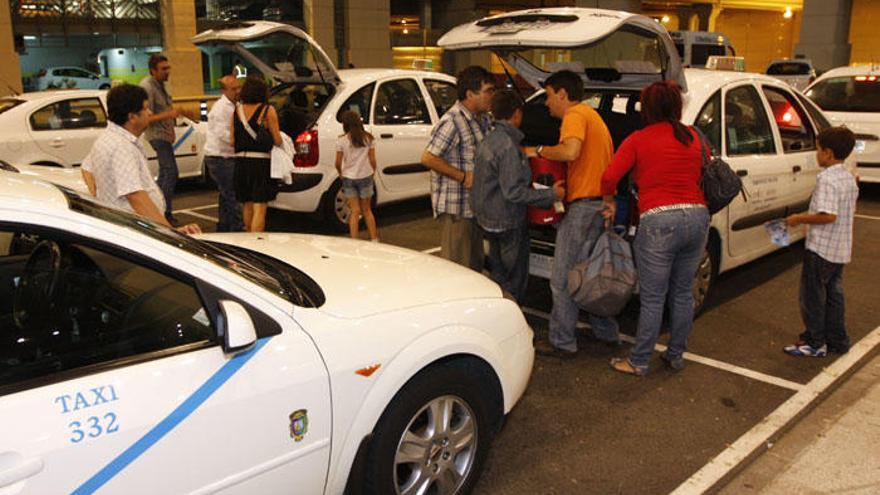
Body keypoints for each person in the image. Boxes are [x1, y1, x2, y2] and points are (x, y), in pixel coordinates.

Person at [600, 81, 708, 376]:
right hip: (697, 216)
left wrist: (609, 202)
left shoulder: (639, 139)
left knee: (652, 296)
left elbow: (609, 177)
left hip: (659, 219)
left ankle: (639, 360)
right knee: (683, 292)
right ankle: (675, 354)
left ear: (645, 108)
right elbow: (702, 171)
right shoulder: (693, 137)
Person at [523, 70, 619, 358]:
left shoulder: (575, 116)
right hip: (598, 204)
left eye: (550, 96)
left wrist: (536, 149)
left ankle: (562, 341)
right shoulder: (595, 118)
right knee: (589, 275)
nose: (547, 103)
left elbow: (570, 151)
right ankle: (607, 333)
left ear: (562, 94)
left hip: (583, 208)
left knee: (562, 278)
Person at [472, 90, 564, 303]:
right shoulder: (509, 146)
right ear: (516, 115)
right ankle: (513, 315)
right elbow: (513, 192)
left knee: (498, 274)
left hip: (487, 219)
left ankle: (500, 312)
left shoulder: (490, 140)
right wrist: (552, 194)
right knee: (514, 278)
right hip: (507, 221)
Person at [81, 84, 200, 235]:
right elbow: (135, 196)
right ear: (131, 117)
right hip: (135, 233)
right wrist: (171, 234)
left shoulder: (108, 138)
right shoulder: (121, 147)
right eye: (145, 108)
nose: (149, 113)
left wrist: (99, 194)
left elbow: (86, 168)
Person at [783, 126, 859, 357]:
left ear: (827, 153)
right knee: (834, 296)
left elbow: (828, 215)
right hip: (840, 248)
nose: (816, 154)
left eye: (817, 149)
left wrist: (799, 219)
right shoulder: (847, 177)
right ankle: (837, 339)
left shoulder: (827, 179)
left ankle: (815, 342)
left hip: (822, 249)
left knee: (813, 297)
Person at [421, 66, 494, 270]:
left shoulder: (483, 120)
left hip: (475, 208)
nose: (492, 96)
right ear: (470, 94)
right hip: (457, 210)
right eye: (488, 91)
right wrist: (462, 177)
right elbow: (428, 157)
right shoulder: (453, 121)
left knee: (475, 265)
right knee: (458, 268)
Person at [233, 75, 282, 233]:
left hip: (240, 163)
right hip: (260, 164)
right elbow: (277, 140)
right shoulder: (268, 110)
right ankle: (257, 242)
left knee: (246, 205)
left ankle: (248, 239)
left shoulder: (237, 110)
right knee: (260, 207)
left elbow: (231, 140)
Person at [140, 54, 185, 224]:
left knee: (165, 174)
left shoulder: (161, 86)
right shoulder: (147, 87)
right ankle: (163, 213)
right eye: (163, 69)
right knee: (170, 172)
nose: (168, 72)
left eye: (168, 68)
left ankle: (159, 209)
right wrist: (169, 114)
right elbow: (145, 117)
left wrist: (171, 128)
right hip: (157, 135)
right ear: (153, 71)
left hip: (163, 135)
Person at [204, 75, 244, 232]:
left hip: (225, 156)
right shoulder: (221, 108)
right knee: (232, 194)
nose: (238, 91)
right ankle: (236, 230)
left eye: (239, 87)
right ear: (224, 90)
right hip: (220, 157)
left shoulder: (235, 105)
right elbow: (224, 135)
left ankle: (224, 227)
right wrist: (242, 142)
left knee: (225, 194)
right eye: (234, 89)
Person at [336, 111, 379, 241]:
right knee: (367, 210)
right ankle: (374, 239)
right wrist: (373, 171)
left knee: (354, 211)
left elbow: (338, 162)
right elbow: (372, 160)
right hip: (365, 176)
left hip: (349, 177)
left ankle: (354, 240)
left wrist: (340, 173)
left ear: (345, 125)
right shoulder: (368, 138)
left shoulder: (341, 140)